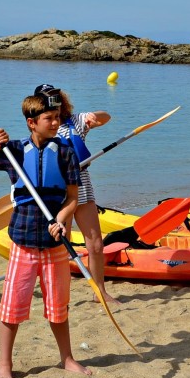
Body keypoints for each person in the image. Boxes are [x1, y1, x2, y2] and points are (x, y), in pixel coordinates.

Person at [0, 93, 90, 378]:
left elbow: (72, 198)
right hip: (22, 239)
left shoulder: (66, 153)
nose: (56, 122)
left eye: (58, 117)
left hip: (55, 242)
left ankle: (67, 358)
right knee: (13, 304)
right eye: (50, 118)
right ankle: (4, 365)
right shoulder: (14, 152)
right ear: (32, 122)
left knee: (59, 306)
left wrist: (61, 218)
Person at [33, 84, 117, 305]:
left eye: (56, 98)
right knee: (62, 245)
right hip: (57, 192)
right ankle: (59, 294)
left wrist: (93, 116)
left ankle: (100, 292)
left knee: (96, 245)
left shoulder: (76, 121)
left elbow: (106, 117)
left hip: (82, 188)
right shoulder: (41, 127)